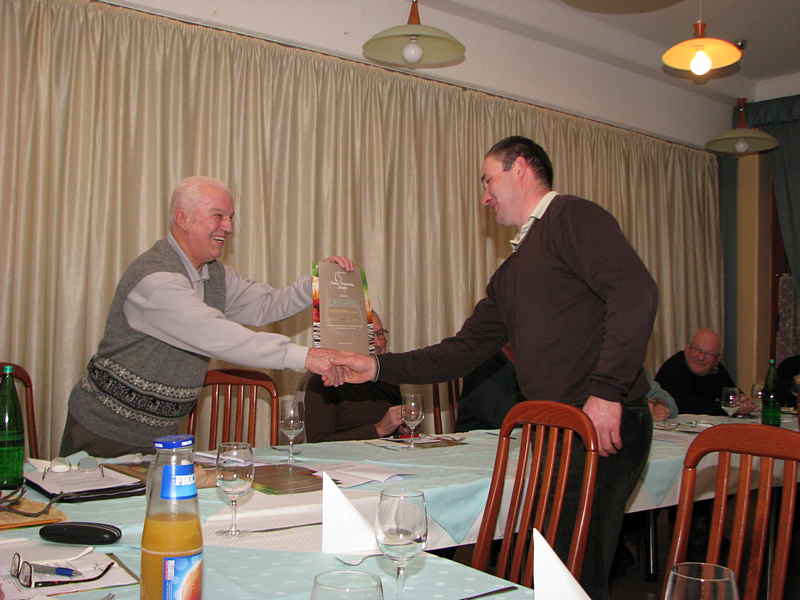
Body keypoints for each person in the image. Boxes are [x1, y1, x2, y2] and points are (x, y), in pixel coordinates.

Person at [331, 136, 658, 600]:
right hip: (557, 432)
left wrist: (607, 392)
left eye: (488, 180)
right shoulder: (511, 272)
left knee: (575, 573)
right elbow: (461, 351)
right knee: (553, 569)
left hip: (599, 425)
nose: (484, 196)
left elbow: (636, 292)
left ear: (520, 168)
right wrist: (376, 366)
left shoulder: (572, 216)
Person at [60, 176, 353, 458]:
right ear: (183, 218)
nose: (228, 227)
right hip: (105, 433)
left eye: (231, 217)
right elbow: (218, 336)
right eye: (218, 216)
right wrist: (307, 357)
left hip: (163, 436)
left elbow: (267, 305)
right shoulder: (155, 280)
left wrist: (318, 282)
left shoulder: (214, 274)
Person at [304, 312, 404, 442]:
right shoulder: (324, 380)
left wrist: (402, 428)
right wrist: (378, 429)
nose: (378, 343)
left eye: (380, 334)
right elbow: (317, 443)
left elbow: (393, 430)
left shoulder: (387, 376)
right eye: (369, 336)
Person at [655, 328, 734, 416]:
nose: (701, 357)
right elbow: (688, 408)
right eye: (697, 350)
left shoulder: (716, 369)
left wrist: (741, 403)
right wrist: (726, 407)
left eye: (709, 354)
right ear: (687, 349)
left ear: (717, 359)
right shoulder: (672, 369)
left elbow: (732, 395)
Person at [456, 344, 524, 431]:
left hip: (514, 432)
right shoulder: (484, 362)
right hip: (481, 435)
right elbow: (502, 418)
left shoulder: (524, 359)